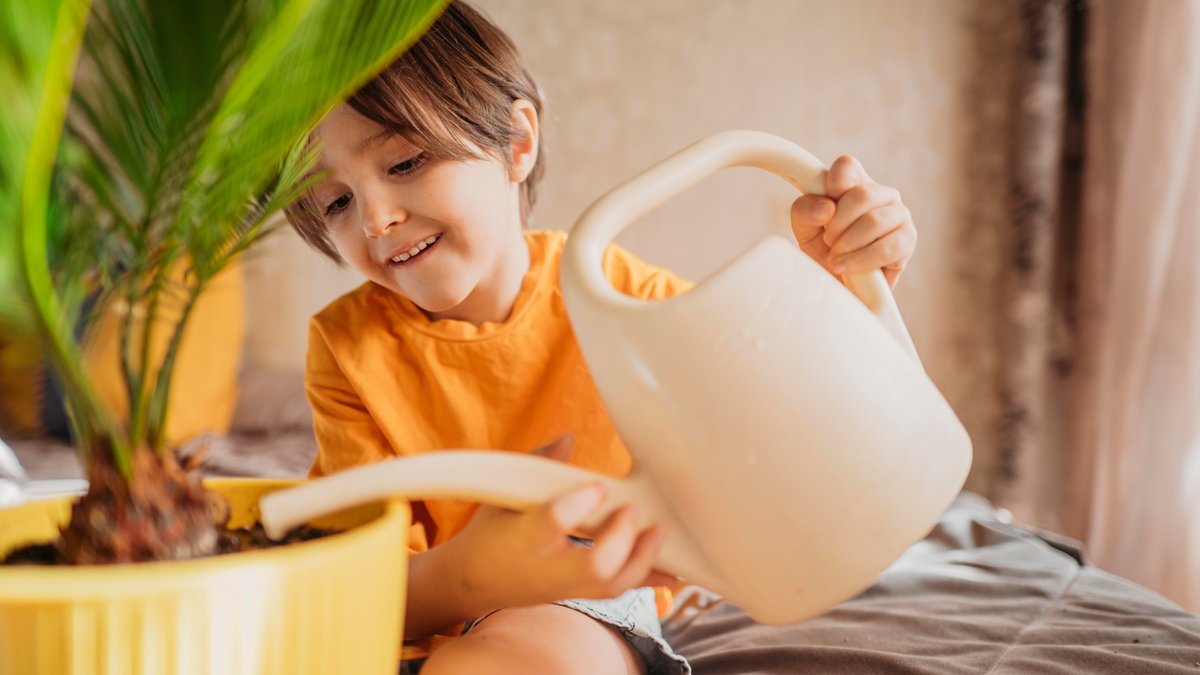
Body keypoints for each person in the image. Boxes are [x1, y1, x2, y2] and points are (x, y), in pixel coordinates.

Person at [284, 2, 916, 673]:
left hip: (583, 594)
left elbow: (790, 434)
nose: (376, 219)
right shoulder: (345, 346)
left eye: (405, 162)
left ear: (516, 143)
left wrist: (841, 285)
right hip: (417, 602)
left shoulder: (624, 300)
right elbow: (362, 589)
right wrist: (476, 572)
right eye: (337, 202)